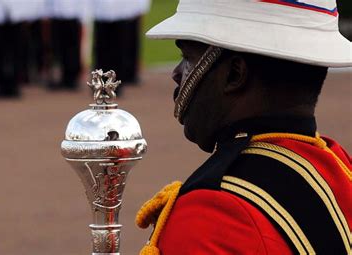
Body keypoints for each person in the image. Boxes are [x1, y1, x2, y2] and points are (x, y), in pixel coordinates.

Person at [135, 0, 351, 254]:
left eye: (187, 57)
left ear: (235, 74)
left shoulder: (211, 215)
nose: (176, 73)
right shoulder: (339, 168)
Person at [92, 0, 151, 87]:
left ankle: (117, 81)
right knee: (102, 49)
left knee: (120, 48)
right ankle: (101, 81)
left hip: (123, 12)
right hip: (102, 13)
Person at [47, 0, 89, 90]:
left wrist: (83, 15)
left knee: (72, 48)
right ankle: (61, 76)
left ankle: (72, 78)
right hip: (57, 14)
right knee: (58, 47)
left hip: (74, 15)